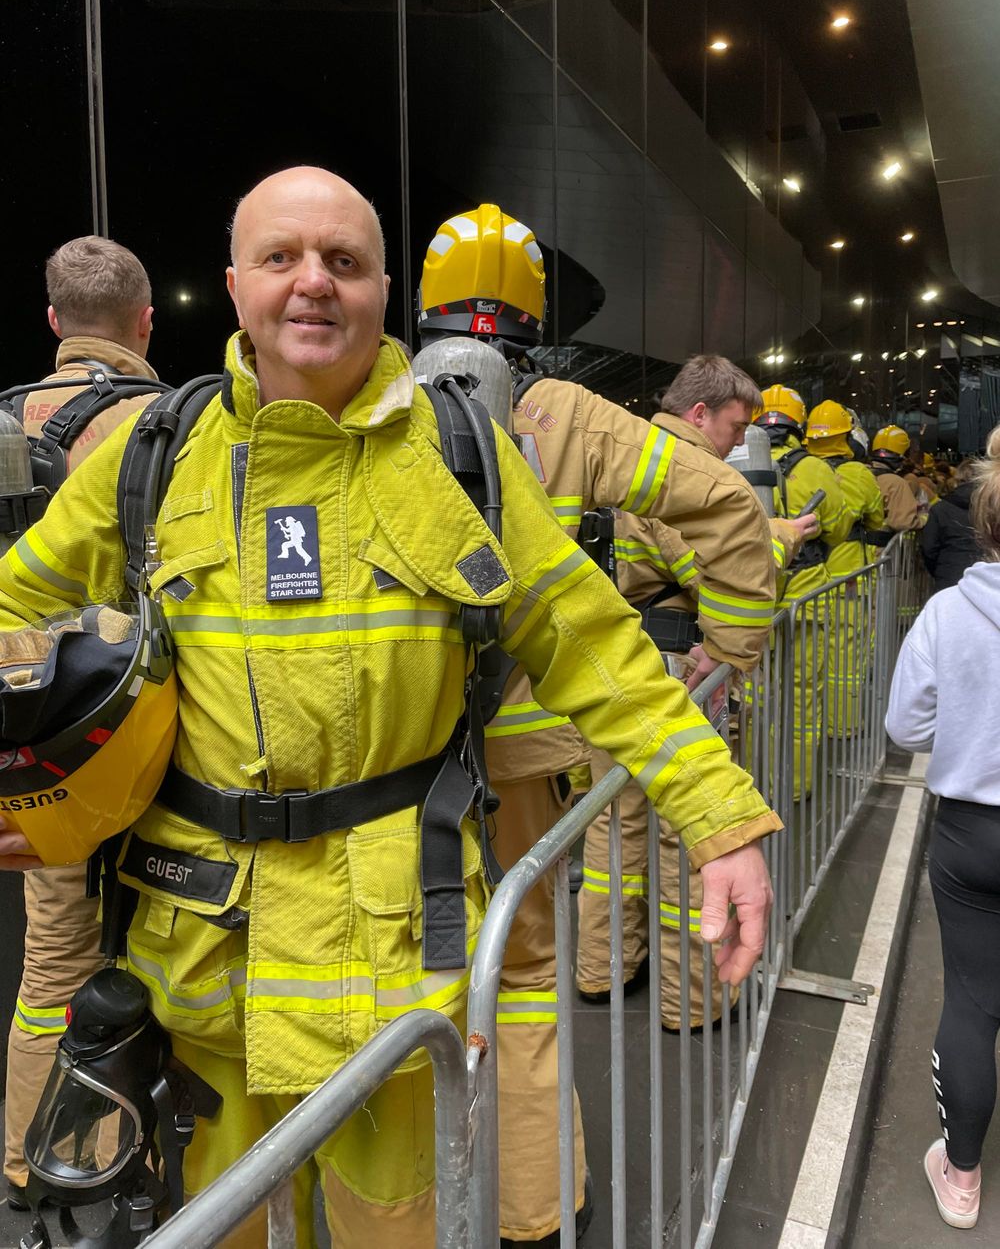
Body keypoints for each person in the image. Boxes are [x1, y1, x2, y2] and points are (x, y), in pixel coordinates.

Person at [0, 168, 780, 1247]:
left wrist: (724, 820)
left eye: (344, 261)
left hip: (392, 969)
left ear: (380, 290)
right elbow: (13, 601)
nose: (311, 283)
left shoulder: (464, 464)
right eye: (280, 258)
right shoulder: (155, 456)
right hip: (199, 974)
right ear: (234, 285)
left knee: (398, 1227)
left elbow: (596, 649)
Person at [417, 211, 776, 1243]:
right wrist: (729, 650)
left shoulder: (380, 398)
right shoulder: (568, 412)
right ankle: (541, 1206)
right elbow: (726, 508)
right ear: (534, 314)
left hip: (394, 760)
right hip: (528, 749)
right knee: (521, 976)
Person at [576, 356, 811, 1030]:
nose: (741, 443)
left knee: (611, 825)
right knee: (689, 834)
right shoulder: (681, 475)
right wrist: (779, 543)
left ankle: (603, 967)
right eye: (736, 426)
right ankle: (693, 1000)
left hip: (612, 662)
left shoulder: (613, 456)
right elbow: (716, 568)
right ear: (700, 414)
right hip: (681, 666)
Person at [2, 235, 159, 1211]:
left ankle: (30, 1160)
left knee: (53, 954)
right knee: (158, 945)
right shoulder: (167, 423)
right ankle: (133, 1152)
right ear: (147, 322)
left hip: (25, 737)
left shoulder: (5, 418)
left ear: (54, 320)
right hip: (135, 731)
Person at [885, 424, 1000, 1231]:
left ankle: (959, 1177)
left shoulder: (947, 615)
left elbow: (905, 727)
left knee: (972, 998)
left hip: (971, 833)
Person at [754, 386, 849, 796]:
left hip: (752, 600)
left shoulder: (733, 461)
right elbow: (840, 526)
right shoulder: (814, 469)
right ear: (799, 423)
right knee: (802, 699)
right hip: (805, 599)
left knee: (755, 700)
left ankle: (750, 785)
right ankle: (794, 786)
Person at [805, 400, 886, 735]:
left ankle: (818, 720)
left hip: (809, 582)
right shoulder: (859, 474)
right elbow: (878, 520)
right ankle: (844, 724)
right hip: (851, 579)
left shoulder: (800, 470)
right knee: (846, 656)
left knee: (810, 663)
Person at [920, 460, 981, 592]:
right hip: (984, 575)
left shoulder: (940, 509)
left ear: (957, 479)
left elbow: (929, 547)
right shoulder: (991, 509)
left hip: (949, 574)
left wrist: (938, 569)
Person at [871, 425, 926, 530]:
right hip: (879, 545)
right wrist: (924, 520)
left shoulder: (860, 474)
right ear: (904, 454)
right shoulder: (896, 483)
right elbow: (903, 522)